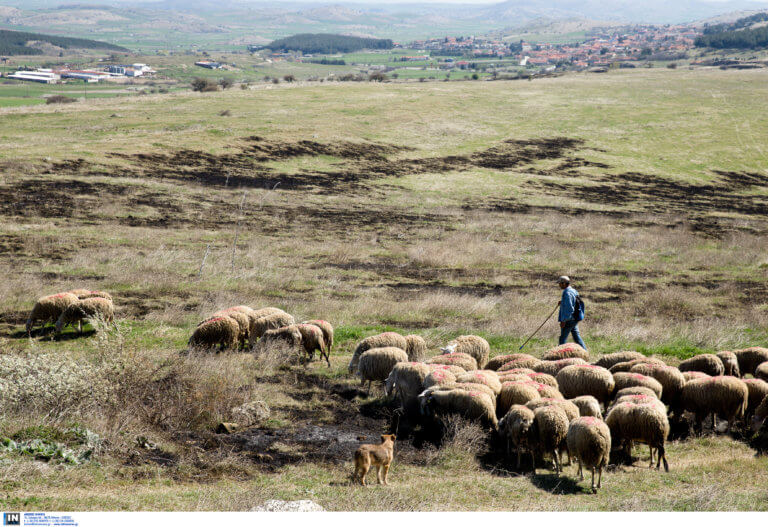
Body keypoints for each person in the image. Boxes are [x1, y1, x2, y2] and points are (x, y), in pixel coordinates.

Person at [557, 275, 587, 350]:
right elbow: (573, 302)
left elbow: (570, 309)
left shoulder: (567, 293)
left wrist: (564, 320)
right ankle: (585, 352)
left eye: (560, 283)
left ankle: (559, 356)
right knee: (576, 337)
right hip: (575, 318)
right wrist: (563, 302)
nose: (559, 285)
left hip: (569, 319)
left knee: (562, 339)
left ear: (564, 283)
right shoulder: (573, 291)